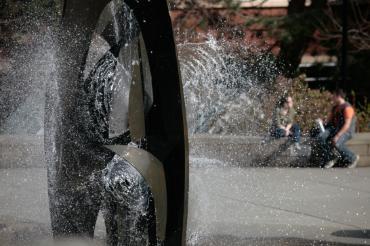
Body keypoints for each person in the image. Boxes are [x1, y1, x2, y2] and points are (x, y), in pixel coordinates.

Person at [318, 89, 359, 168]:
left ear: (338, 96)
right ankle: (331, 157)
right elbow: (328, 121)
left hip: (346, 131)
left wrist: (337, 136)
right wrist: (322, 122)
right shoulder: (335, 108)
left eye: (333, 96)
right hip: (336, 129)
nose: (332, 98)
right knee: (321, 137)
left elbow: (347, 125)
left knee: (337, 143)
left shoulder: (347, 108)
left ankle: (353, 158)